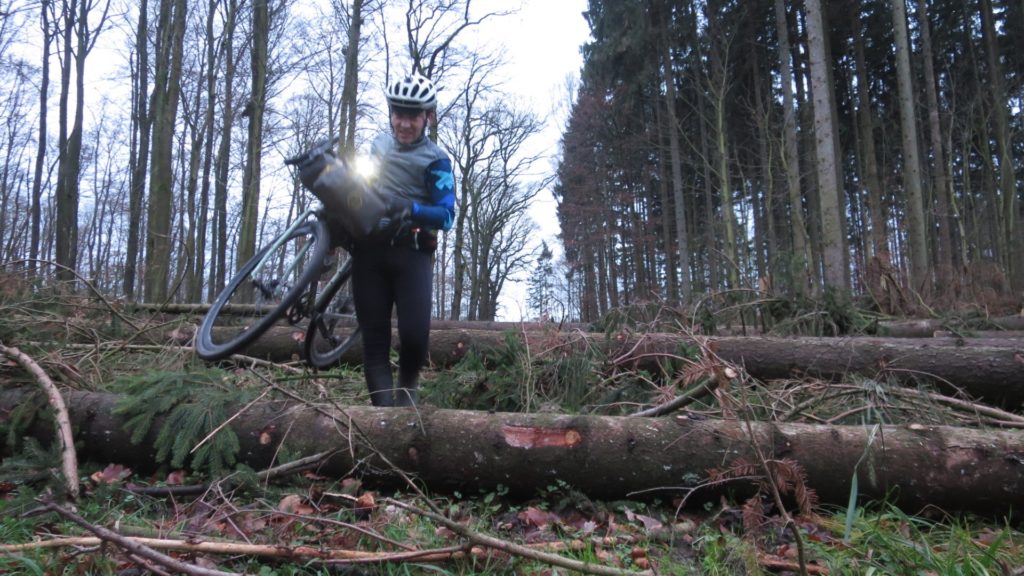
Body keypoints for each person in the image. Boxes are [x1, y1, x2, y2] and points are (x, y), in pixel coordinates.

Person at [300, 72, 455, 407]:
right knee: (375, 343)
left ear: (427, 116)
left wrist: (410, 207)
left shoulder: (437, 161)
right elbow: (365, 185)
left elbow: (447, 216)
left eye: (413, 116)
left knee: (414, 338)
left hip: (411, 254)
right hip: (369, 251)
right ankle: (386, 422)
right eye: (398, 114)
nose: (404, 123)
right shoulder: (379, 145)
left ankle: (407, 394)